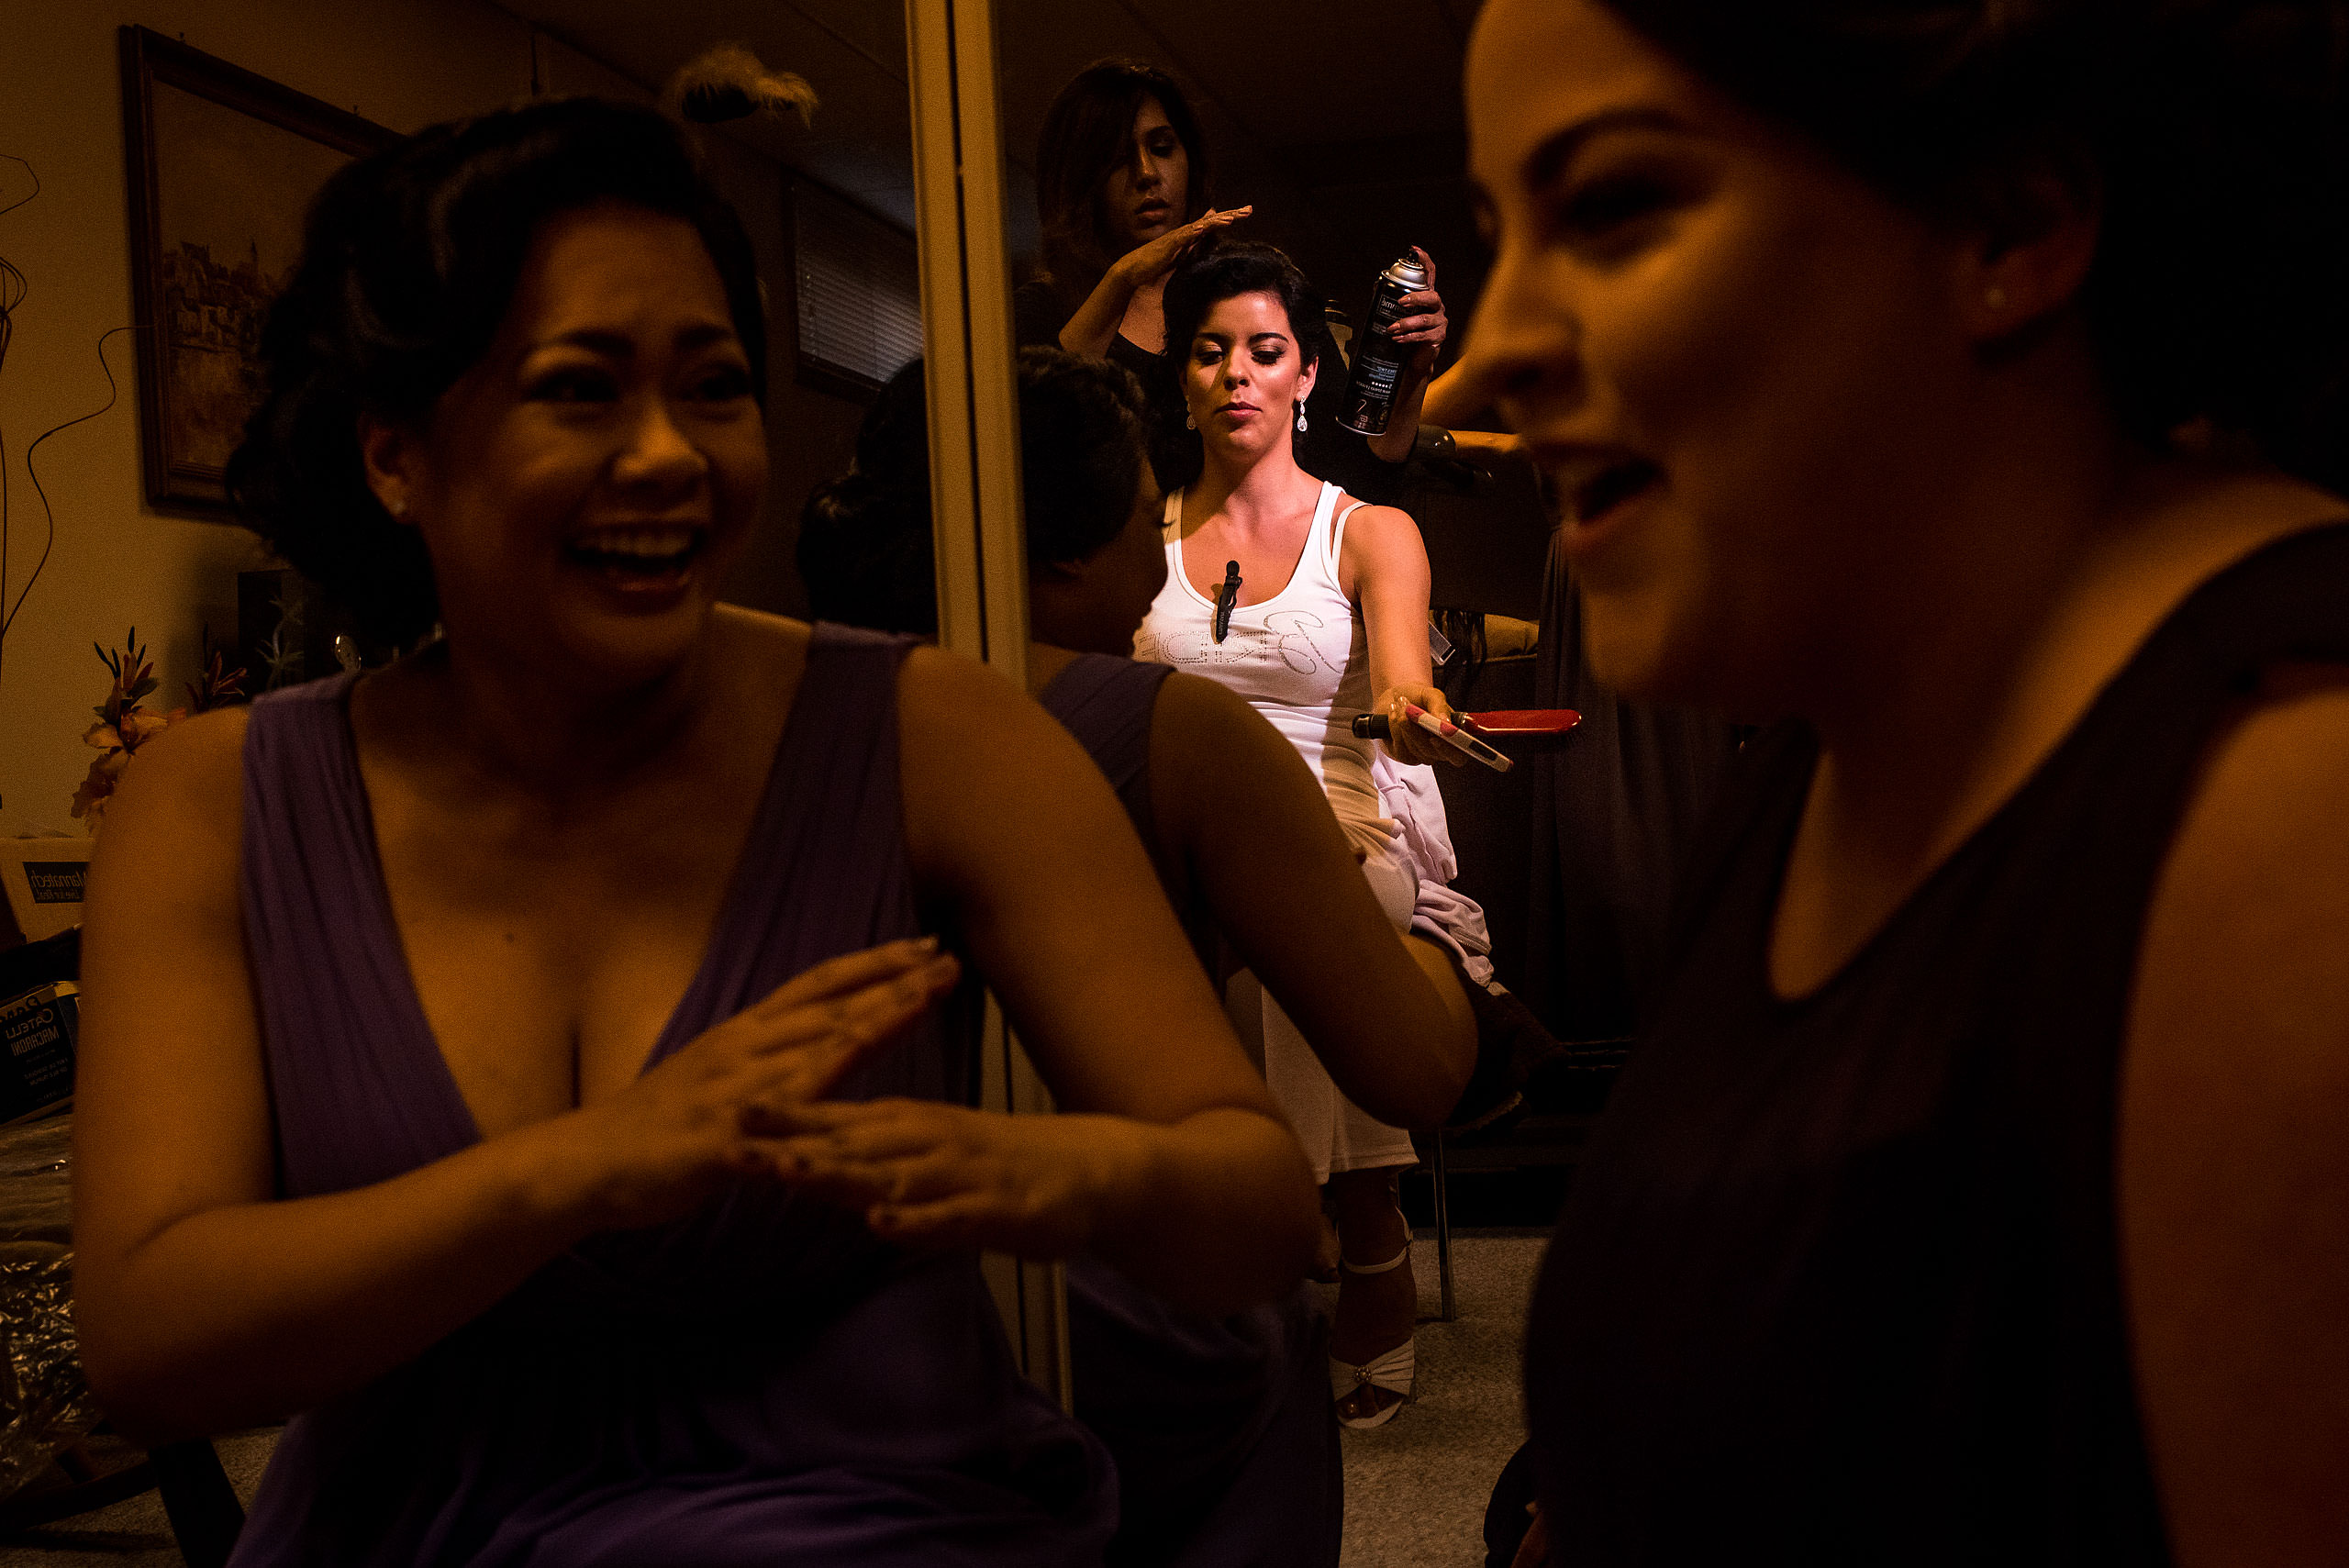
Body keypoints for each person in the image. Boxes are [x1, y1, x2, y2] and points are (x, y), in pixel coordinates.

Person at [68, 97, 1322, 1567]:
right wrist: (589, 1168)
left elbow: (1257, 1204)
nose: (667, 454)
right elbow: (148, 1337)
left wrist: (1064, 1176)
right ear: (397, 451)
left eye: (713, 386)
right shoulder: (216, 801)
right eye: (581, 391)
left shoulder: (934, 737)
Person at [1459, 0, 2349, 1562]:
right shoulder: (1827, 753)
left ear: (2010, 219)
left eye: (1609, 209)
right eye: (1496, 234)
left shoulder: (2287, 821)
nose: (1482, 360)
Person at [802, 344, 1478, 1563]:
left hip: (838, 1322)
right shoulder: (1170, 733)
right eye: (1137, 532)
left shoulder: (780, 709)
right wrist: (1432, 928)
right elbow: (1418, 1066)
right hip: (1124, 1325)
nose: (1154, 572)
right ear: (1066, 550)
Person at [1125, 238, 1469, 1429]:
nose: (1238, 376)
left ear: (1310, 373)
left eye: (1265, 352)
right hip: (1180, 833)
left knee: (1304, 901)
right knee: (1197, 906)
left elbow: (1406, 679)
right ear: (1182, 379)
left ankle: (1309, 1226)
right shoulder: (1146, 535)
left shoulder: (1367, 530)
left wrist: (1416, 715)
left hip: (1336, 829)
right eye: (1210, 353)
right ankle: (1360, 1219)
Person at [1014, 58, 1449, 499]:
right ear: (1081, 178)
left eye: (1163, 148)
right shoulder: (1046, 309)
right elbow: (1035, 451)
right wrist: (1122, 278)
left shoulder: (1250, 289)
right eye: (1118, 159)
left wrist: (1413, 374)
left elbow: (1359, 473)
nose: (1147, 173)